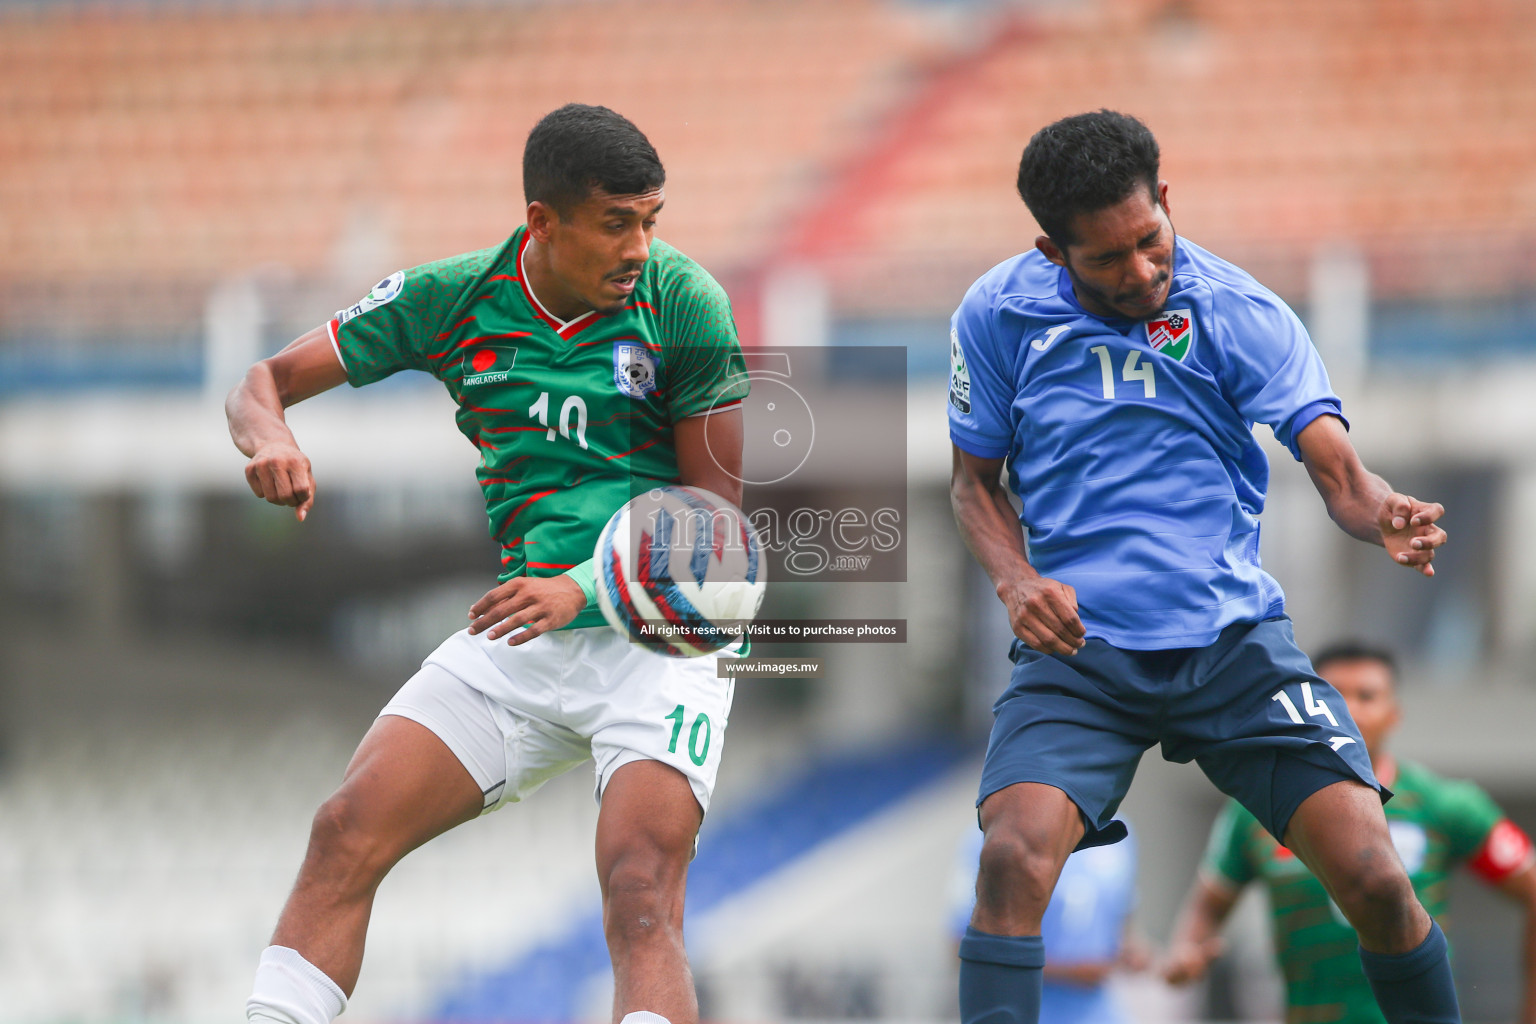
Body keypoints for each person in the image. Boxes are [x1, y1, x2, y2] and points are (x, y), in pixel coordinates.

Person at [227, 104, 749, 1024]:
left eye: (651, 220)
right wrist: (270, 438)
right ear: (543, 222)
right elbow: (263, 381)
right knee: (344, 830)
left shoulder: (685, 301)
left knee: (639, 893)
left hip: (657, 635)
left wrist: (581, 588)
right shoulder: (456, 297)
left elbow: (716, 524)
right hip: (520, 629)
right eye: (617, 222)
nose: (640, 246)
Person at [946, 109, 1455, 1024]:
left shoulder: (1237, 309)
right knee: (1012, 859)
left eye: (1151, 240)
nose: (1142, 272)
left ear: (1167, 201)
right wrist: (1017, 582)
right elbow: (972, 486)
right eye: (1106, 258)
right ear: (1050, 249)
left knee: (1376, 876)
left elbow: (1338, 472)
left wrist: (1382, 512)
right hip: (1081, 659)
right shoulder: (997, 315)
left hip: (1232, 648)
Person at [1163, 642, 1536, 1024]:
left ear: (1394, 714)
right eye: (1336, 695)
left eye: (1367, 696)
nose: (1351, 710)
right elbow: (1208, 903)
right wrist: (1184, 952)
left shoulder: (1443, 805)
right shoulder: (1259, 812)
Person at [952, 825, 1147, 1024]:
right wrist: (1068, 972)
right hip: (1024, 1013)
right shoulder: (992, 832)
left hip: (1100, 1014)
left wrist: (1133, 952)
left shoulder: (1116, 829)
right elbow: (959, 947)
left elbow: (1121, 926)